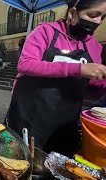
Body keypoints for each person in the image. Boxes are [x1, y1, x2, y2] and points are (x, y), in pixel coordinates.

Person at [6, 0, 106, 157]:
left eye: (103, 17)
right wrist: (78, 68)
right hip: (29, 119)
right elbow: (25, 64)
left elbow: (91, 90)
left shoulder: (94, 46)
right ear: (72, 13)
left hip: (64, 126)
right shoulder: (45, 32)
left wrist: (102, 83)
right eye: (93, 15)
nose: (98, 21)